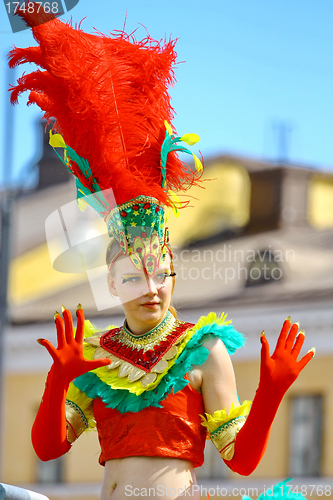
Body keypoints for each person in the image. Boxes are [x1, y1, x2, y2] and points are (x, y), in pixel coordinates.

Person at [8, 7, 316, 500]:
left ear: (173, 273)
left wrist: (273, 390)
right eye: (133, 277)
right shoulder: (97, 357)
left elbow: (240, 459)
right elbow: (47, 450)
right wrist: (60, 377)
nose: (150, 288)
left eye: (159, 273)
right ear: (111, 284)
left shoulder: (204, 349)